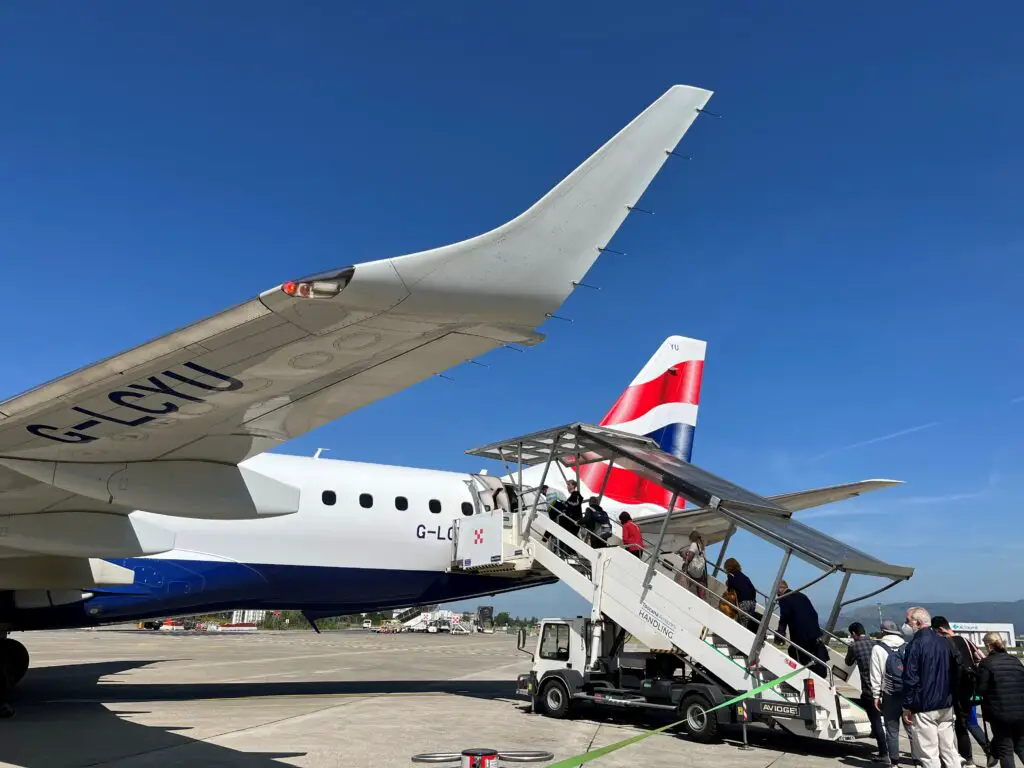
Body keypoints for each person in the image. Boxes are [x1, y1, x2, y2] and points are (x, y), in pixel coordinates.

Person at [932, 616, 994, 767]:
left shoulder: (944, 644)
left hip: (955, 691)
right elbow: (982, 659)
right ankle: (988, 750)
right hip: (971, 688)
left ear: (940, 629)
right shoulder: (967, 641)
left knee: (961, 726)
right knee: (971, 722)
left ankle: (969, 758)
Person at [901, 606, 959, 768]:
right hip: (946, 703)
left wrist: (907, 705)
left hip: (924, 704)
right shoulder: (945, 642)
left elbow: (910, 678)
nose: (906, 625)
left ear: (918, 623)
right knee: (949, 749)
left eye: (908, 621)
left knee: (928, 753)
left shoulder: (915, 645)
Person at [871, 620, 916, 768]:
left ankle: (894, 762)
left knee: (892, 729)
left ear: (883, 631)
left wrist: (876, 695)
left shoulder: (878, 648)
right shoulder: (907, 645)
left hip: (889, 693)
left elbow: (876, 674)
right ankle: (916, 759)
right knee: (911, 727)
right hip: (907, 692)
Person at [846, 621, 891, 763]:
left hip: (869, 689)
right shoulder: (877, 644)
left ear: (853, 633)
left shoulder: (854, 645)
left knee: (875, 720)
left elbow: (848, 662)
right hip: (886, 688)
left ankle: (883, 754)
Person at [977, 631, 1024, 768]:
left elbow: (981, 690)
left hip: (1000, 713)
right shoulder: (1015, 661)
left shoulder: (987, 663)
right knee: (1021, 746)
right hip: (1021, 711)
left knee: (1005, 750)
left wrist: (973, 699)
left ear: (989, 646)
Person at [775, 580, 829, 678]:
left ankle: (803, 676)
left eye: (777, 594)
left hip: (801, 635)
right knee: (813, 654)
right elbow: (813, 613)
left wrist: (780, 634)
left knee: (795, 653)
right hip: (814, 632)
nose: (777, 597)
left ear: (779, 590)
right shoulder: (801, 595)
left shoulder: (783, 598)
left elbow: (784, 617)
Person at [723, 558, 757, 630]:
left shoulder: (731, 575)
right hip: (752, 602)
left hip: (744, 602)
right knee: (747, 623)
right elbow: (753, 589)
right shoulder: (743, 576)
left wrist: (727, 583)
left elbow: (730, 590)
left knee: (741, 625)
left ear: (727, 566)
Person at [679, 530, 708, 599]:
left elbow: (689, 558)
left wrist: (682, 554)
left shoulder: (694, 544)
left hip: (691, 570)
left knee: (683, 586)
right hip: (699, 574)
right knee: (699, 594)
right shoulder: (702, 547)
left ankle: (681, 597)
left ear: (692, 537)